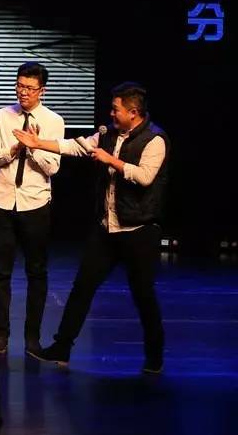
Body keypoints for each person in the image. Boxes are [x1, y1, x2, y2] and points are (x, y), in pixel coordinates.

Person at [14, 82, 169, 373]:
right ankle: (62, 347)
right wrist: (37, 143)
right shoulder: (107, 134)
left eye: (116, 109)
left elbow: (145, 177)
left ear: (133, 112)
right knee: (82, 287)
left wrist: (111, 160)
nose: (111, 113)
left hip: (139, 231)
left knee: (143, 295)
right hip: (106, 228)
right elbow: (74, 146)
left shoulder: (155, 139)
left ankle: (154, 356)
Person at [0, 62, 64, 356]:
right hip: (2, 202)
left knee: (36, 272)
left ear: (42, 90)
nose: (23, 92)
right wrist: (12, 150)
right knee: (0, 273)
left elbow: (53, 167)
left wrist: (33, 147)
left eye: (29, 88)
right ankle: (0, 335)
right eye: (19, 86)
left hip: (35, 204)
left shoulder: (54, 121)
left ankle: (32, 338)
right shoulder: (2, 116)